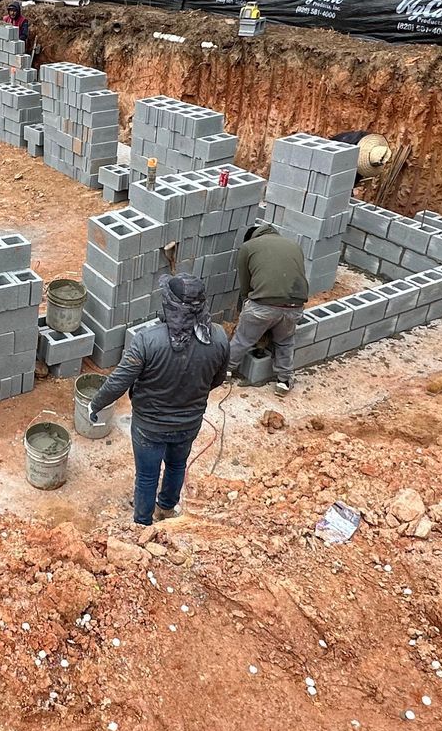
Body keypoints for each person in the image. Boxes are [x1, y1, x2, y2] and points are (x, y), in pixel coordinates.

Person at [86, 274, 230, 527]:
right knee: (176, 465)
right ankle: (166, 508)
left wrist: (95, 404)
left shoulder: (147, 340)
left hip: (149, 427)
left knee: (146, 476)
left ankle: (142, 523)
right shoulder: (218, 337)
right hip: (189, 423)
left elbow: (119, 381)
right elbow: (217, 380)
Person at [228, 222, 308, 395]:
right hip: (295, 305)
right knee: (285, 342)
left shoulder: (248, 247)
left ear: (251, 237)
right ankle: (283, 381)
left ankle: (225, 370)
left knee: (243, 339)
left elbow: (245, 285)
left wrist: (244, 310)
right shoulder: (294, 245)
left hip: (263, 306)